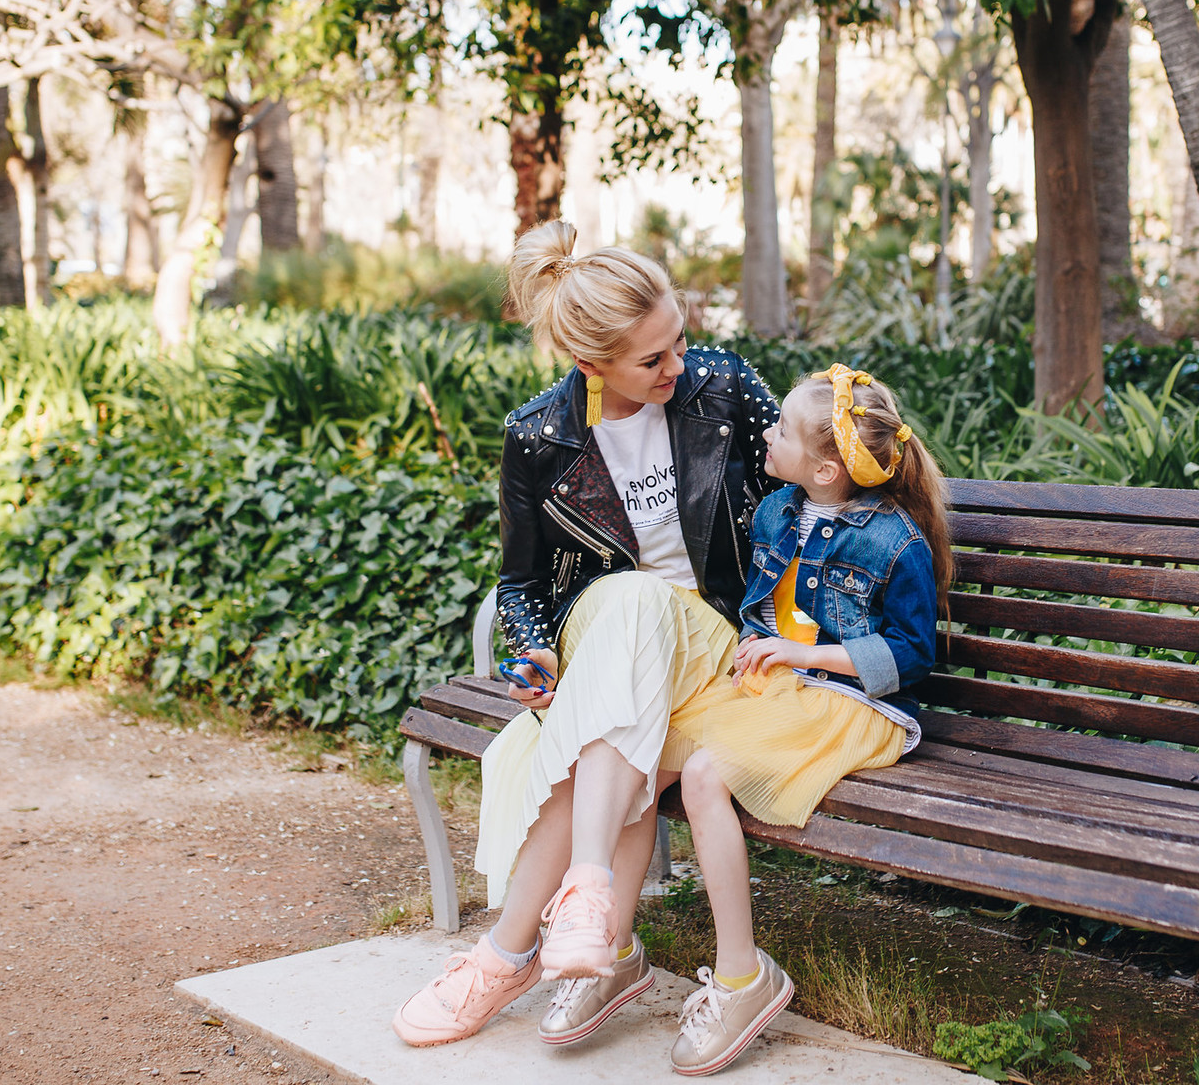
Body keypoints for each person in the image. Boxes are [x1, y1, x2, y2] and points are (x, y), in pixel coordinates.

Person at [392, 220, 780, 1049]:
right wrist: (529, 652)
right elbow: (523, 585)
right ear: (589, 366)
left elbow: (802, 510)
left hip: (718, 649)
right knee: (620, 674)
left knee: (636, 601)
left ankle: (519, 946)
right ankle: (579, 937)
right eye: (653, 360)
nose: (679, 366)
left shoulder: (725, 391)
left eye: (680, 339)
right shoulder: (539, 437)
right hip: (614, 664)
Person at [660, 364, 951, 1076]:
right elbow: (762, 608)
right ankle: (606, 947)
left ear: (825, 467)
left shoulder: (895, 543)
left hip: (855, 706)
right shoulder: (777, 512)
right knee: (647, 746)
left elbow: (912, 658)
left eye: (781, 429)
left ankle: (741, 978)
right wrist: (767, 652)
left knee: (702, 774)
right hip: (785, 687)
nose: (765, 432)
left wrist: (802, 651)